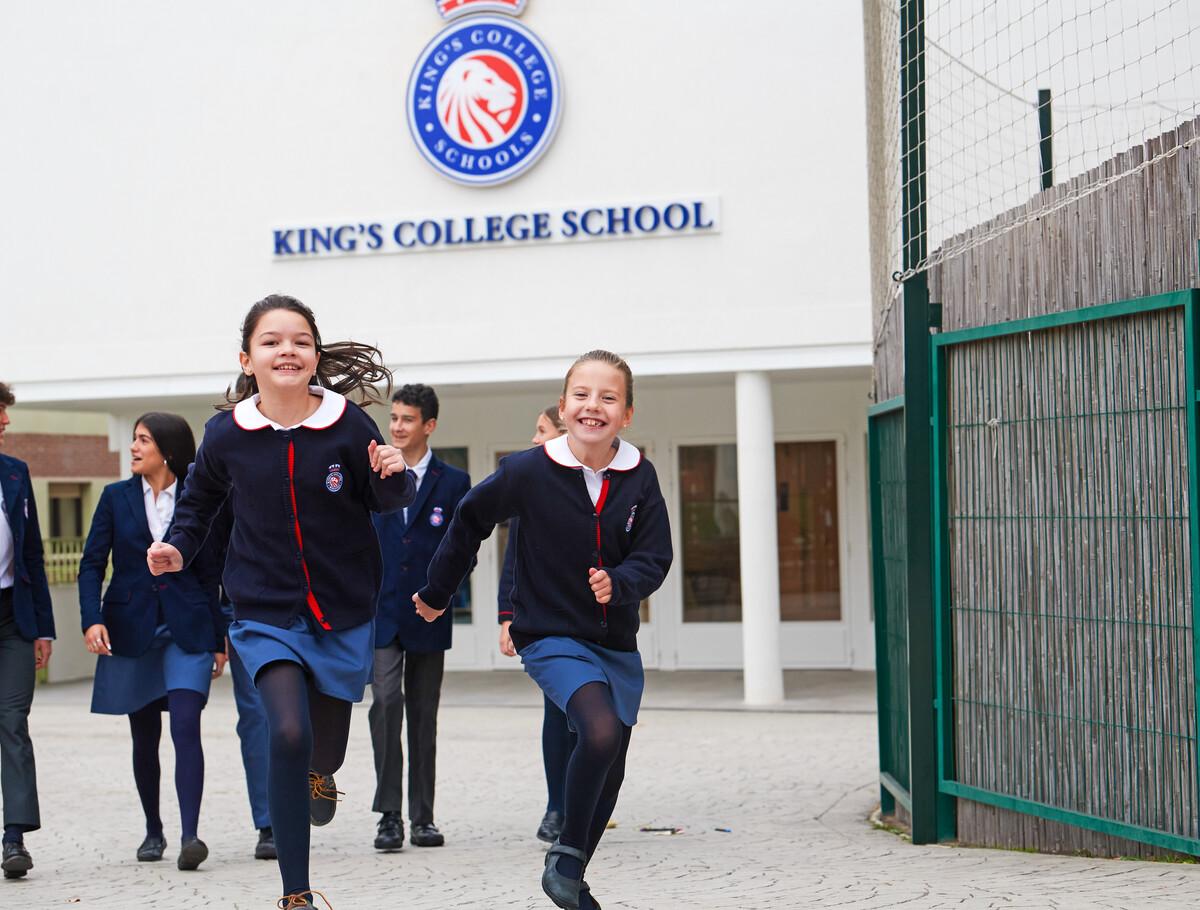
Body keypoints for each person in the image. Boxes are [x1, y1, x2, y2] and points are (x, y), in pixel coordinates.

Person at [146, 294, 415, 910]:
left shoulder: (348, 424)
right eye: (271, 341)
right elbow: (199, 507)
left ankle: (322, 776)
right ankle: (295, 893)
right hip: (263, 613)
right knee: (286, 731)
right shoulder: (227, 434)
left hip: (342, 613)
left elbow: (385, 497)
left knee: (326, 748)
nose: (286, 350)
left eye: (298, 340)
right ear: (248, 359)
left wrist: (394, 473)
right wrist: (177, 549)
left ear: (315, 356)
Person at [415, 351, 672, 910]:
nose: (593, 406)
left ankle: (572, 874)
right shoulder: (528, 471)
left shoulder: (640, 474)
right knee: (598, 732)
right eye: (581, 395)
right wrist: (438, 594)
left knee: (612, 767)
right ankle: (565, 858)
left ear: (626, 413)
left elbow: (657, 555)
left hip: (616, 644)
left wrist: (622, 582)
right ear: (563, 406)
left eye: (608, 398)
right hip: (549, 634)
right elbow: (469, 519)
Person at [78, 413, 228, 870]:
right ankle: (153, 830)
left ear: (167, 449)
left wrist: (219, 637)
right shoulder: (114, 497)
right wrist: (92, 620)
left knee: (186, 726)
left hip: (188, 630)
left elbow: (213, 572)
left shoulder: (200, 498)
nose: (134, 447)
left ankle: (190, 835)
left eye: (143, 440)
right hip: (133, 629)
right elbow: (90, 565)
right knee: (144, 737)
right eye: (135, 439)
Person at [369, 384, 471, 852]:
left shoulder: (454, 482)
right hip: (382, 613)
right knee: (386, 702)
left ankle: (423, 817)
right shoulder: (374, 476)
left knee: (423, 715)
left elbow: (463, 547)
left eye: (407, 419)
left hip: (430, 614)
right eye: (394, 418)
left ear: (429, 425)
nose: (397, 427)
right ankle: (388, 816)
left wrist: (442, 591)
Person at [497, 406, 575, 844]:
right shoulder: (529, 487)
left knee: (590, 718)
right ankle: (557, 807)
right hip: (544, 618)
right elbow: (513, 559)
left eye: (541, 431)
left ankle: (581, 801)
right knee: (556, 710)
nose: (533, 439)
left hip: (592, 619)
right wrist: (507, 615)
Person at [0, 383, 53, 881]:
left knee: (13, 721)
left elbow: (32, 554)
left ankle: (13, 837)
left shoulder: (15, 473)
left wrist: (44, 629)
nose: (6, 422)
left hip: (13, 616)